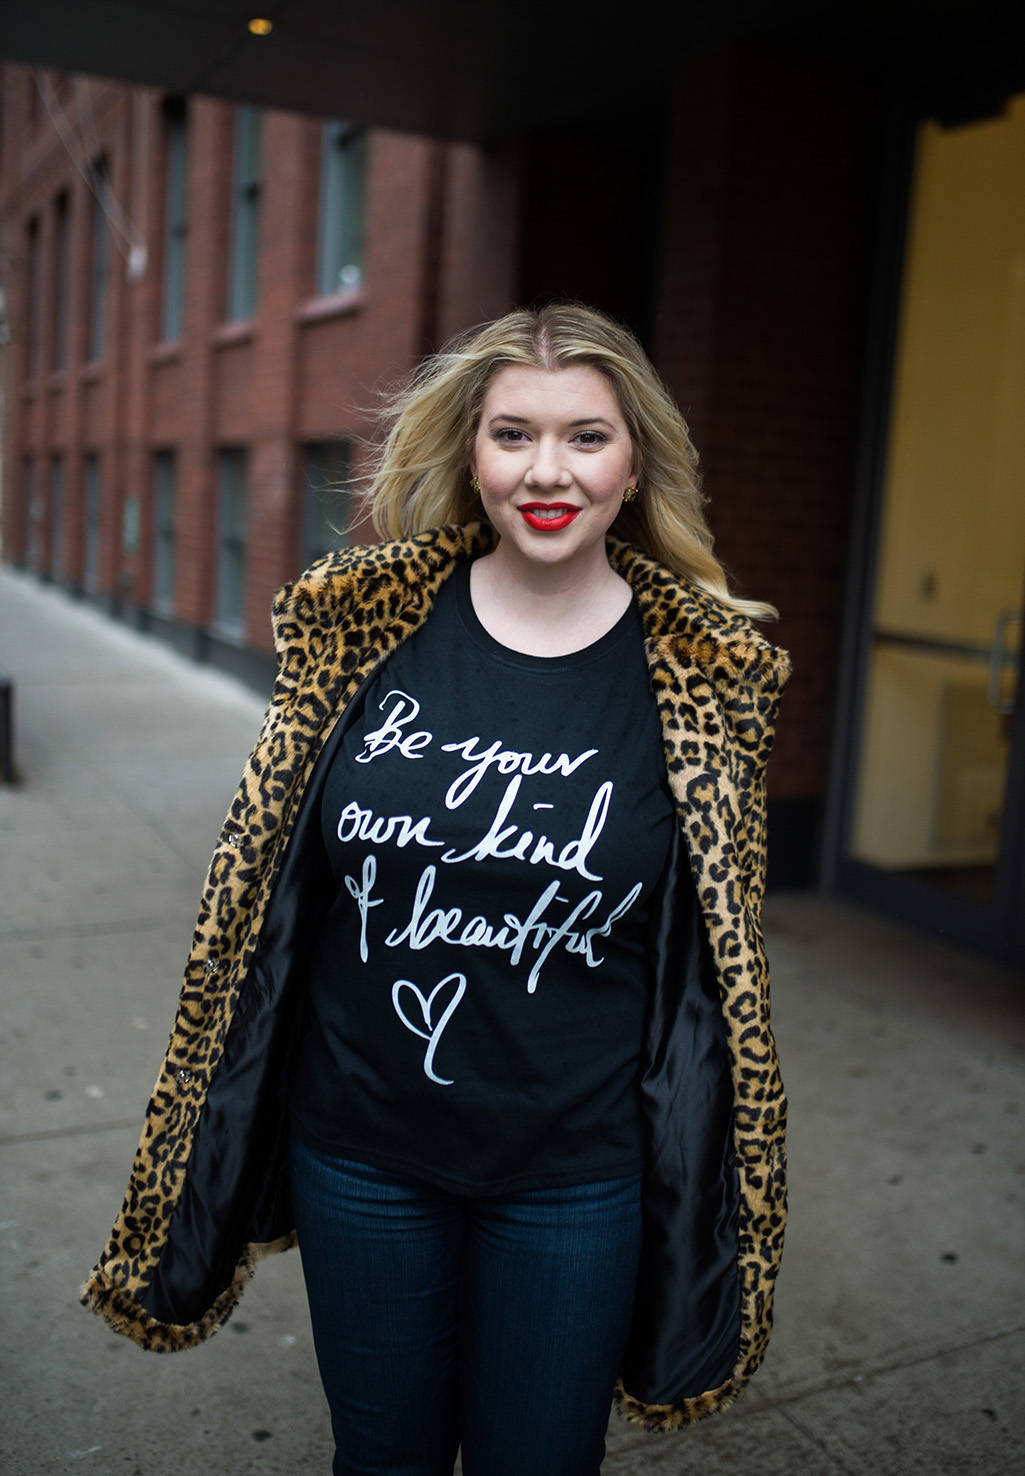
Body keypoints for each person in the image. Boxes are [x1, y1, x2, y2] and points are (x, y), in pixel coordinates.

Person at [81, 303, 791, 1475]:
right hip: (360, 1150)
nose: (546, 471)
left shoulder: (705, 676)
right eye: (512, 434)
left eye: (585, 437)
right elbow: (269, 899)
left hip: (575, 1172)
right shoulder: (359, 628)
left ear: (635, 464)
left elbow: (712, 974)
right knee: (383, 1459)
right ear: (469, 452)